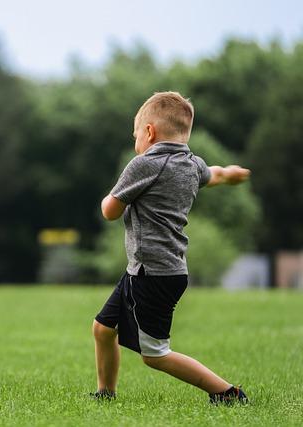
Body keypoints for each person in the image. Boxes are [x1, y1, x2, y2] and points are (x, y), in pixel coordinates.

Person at [92, 91, 250, 404]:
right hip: (156, 269)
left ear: (149, 132)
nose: (136, 140)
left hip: (151, 273)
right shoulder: (191, 163)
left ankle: (227, 393)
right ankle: (105, 393)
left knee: (155, 355)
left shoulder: (145, 164)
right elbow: (214, 174)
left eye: (136, 133)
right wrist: (230, 174)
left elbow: (110, 211)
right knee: (103, 329)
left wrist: (107, 198)